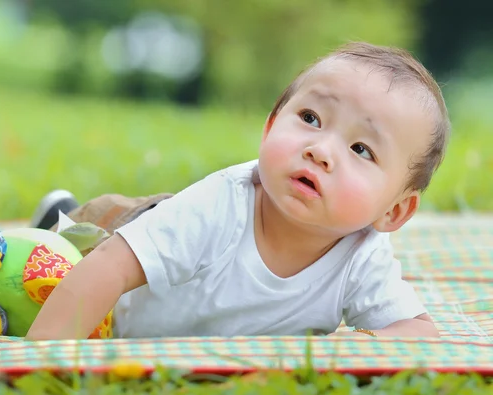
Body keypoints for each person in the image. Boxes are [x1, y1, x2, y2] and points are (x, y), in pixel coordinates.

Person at [26, 42, 450, 341]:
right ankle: (61, 216)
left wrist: (364, 346)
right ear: (270, 126)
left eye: (361, 149)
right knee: (84, 241)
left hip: (195, 258)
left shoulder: (364, 251)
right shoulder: (216, 207)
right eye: (310, 117)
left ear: (394, 212)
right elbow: (110, 267)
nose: (320, 151)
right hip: (150, 235)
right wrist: (40, 358)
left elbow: (416, 329)